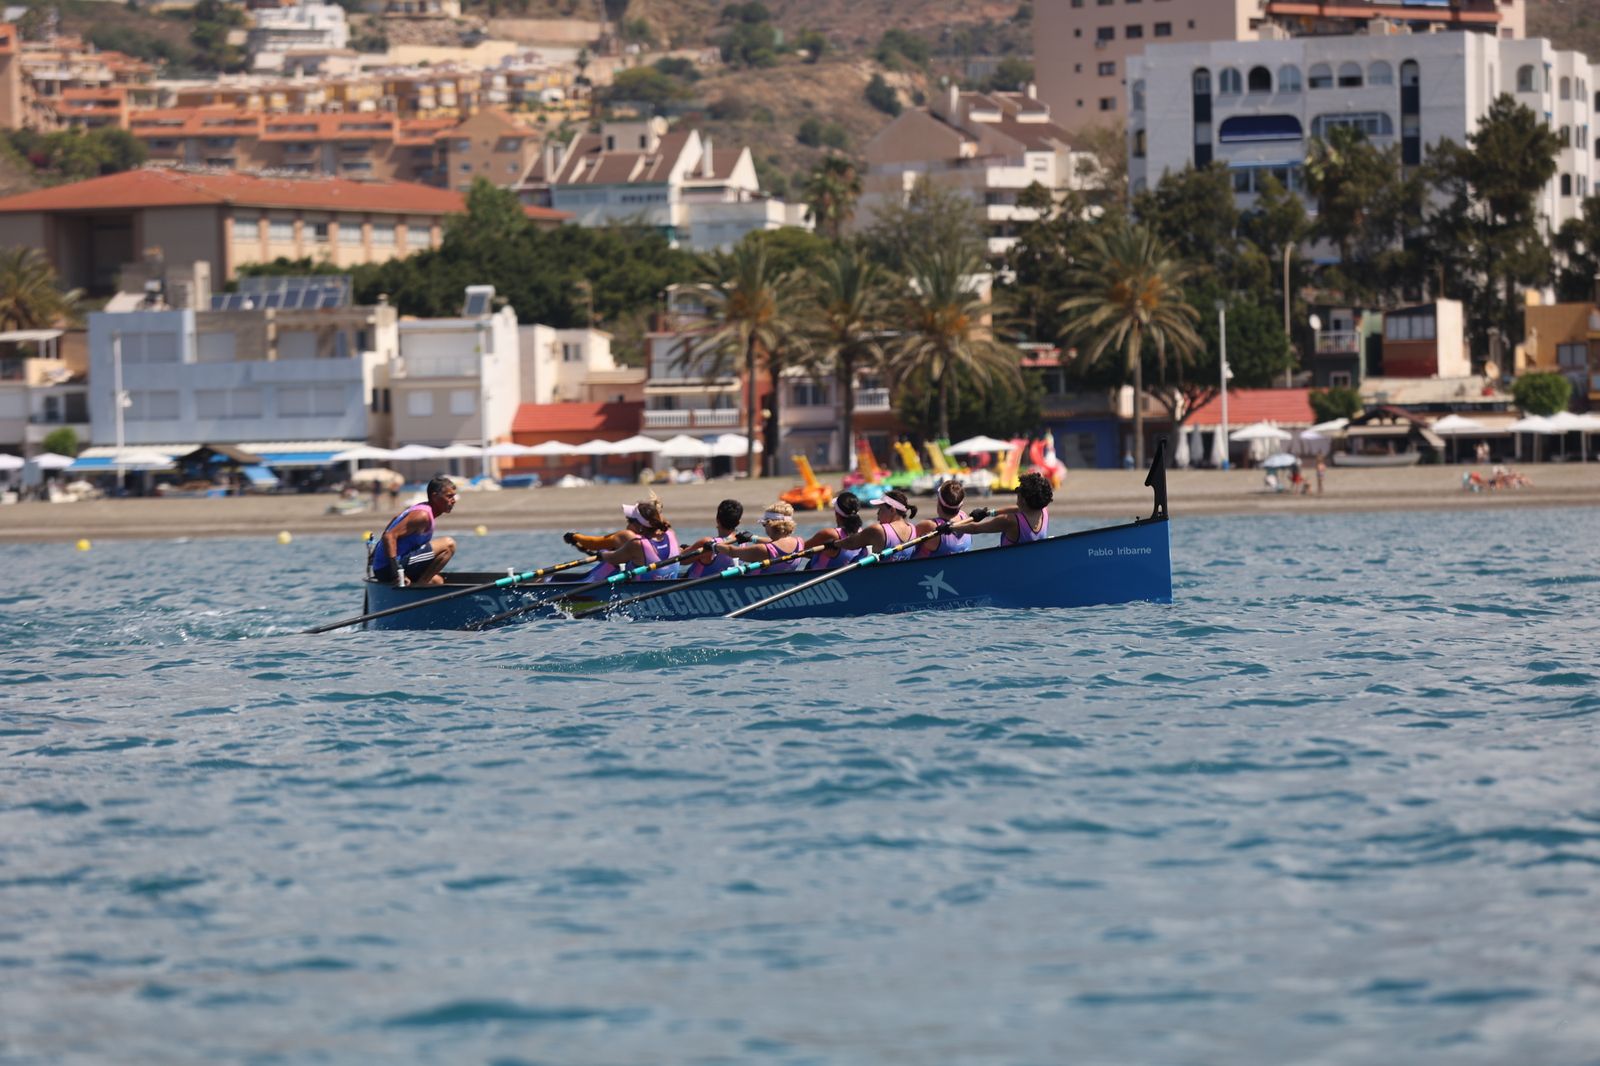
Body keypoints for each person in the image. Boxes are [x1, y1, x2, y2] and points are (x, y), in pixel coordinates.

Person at [565, 495, 680, 581]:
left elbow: (610, 556)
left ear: (640, 526)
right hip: (667, 587)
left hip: (640, 592)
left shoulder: (635, 542)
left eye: (629, 521)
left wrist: (602, 554)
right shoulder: (671, 534)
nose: (627, 525)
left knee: (609, 563)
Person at [370, 475, 457, 587]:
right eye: (449, 496)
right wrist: (396, 572)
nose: (453, 501)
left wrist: (375, 553)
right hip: (387, 569)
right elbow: (389, 536)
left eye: (454, 496)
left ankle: (418, 586)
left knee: (437, 581)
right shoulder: (422, 515)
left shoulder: (421, 508)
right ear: (434, 496)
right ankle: (421, 585)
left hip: (383, 567)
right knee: (449, 544)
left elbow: (395, 520)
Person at [697, 500, 808, 574]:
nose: (764, 527)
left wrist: (715, 545)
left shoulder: (762, 549)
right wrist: (752, 538)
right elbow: (776, 543)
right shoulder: (799, 542)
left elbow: (732, 551)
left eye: (764, 524)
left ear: (770, 524)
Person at [961, 471, 1052, 546]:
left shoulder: (1009, 520)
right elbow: (1017, 509)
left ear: (1023, 500)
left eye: (1018, 492)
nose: (1016, 494)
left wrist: (953, 527)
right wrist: (988, 513)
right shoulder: (1044, 510)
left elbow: (975, 529)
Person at [829, 488, 920, 561]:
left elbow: (852, 543)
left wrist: (834, 544)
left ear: (892, 510)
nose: (877, 514)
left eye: (880, 509)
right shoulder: (913, 529)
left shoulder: (878, 530)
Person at [683, 499, 747, 579]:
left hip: (697, 585)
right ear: (738, 522)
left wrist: (681, 549)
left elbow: (681, 560)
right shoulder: (743, 541)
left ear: (717, 519)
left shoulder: (707, 543)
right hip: (726, 582)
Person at [804, 492, 865, 571]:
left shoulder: (830, 534)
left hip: (817, 577)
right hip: (846, 576)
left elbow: (801, 549)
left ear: (837, 514)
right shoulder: (862, 533)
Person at [913, 480, 972, 558]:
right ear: (961, 505)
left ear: (939, 501)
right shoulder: (965, 517)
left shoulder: (930, 526)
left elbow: (904, 539)